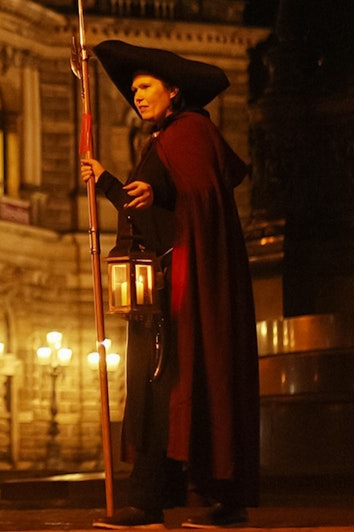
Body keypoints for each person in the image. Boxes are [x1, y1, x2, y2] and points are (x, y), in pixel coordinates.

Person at [80, 41, 259, 529]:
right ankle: (150, 501)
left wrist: (151, 190)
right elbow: (158, 214)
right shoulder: (163, 140)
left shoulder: (190, 132)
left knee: (171, 386)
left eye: (145, 87)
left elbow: (195, 206)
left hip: (182, 289)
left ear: (173, 91)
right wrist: (114, 185)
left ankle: (208, 500)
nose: (136, 97)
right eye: (133, 90)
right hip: (158, 291)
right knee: (156, 389)